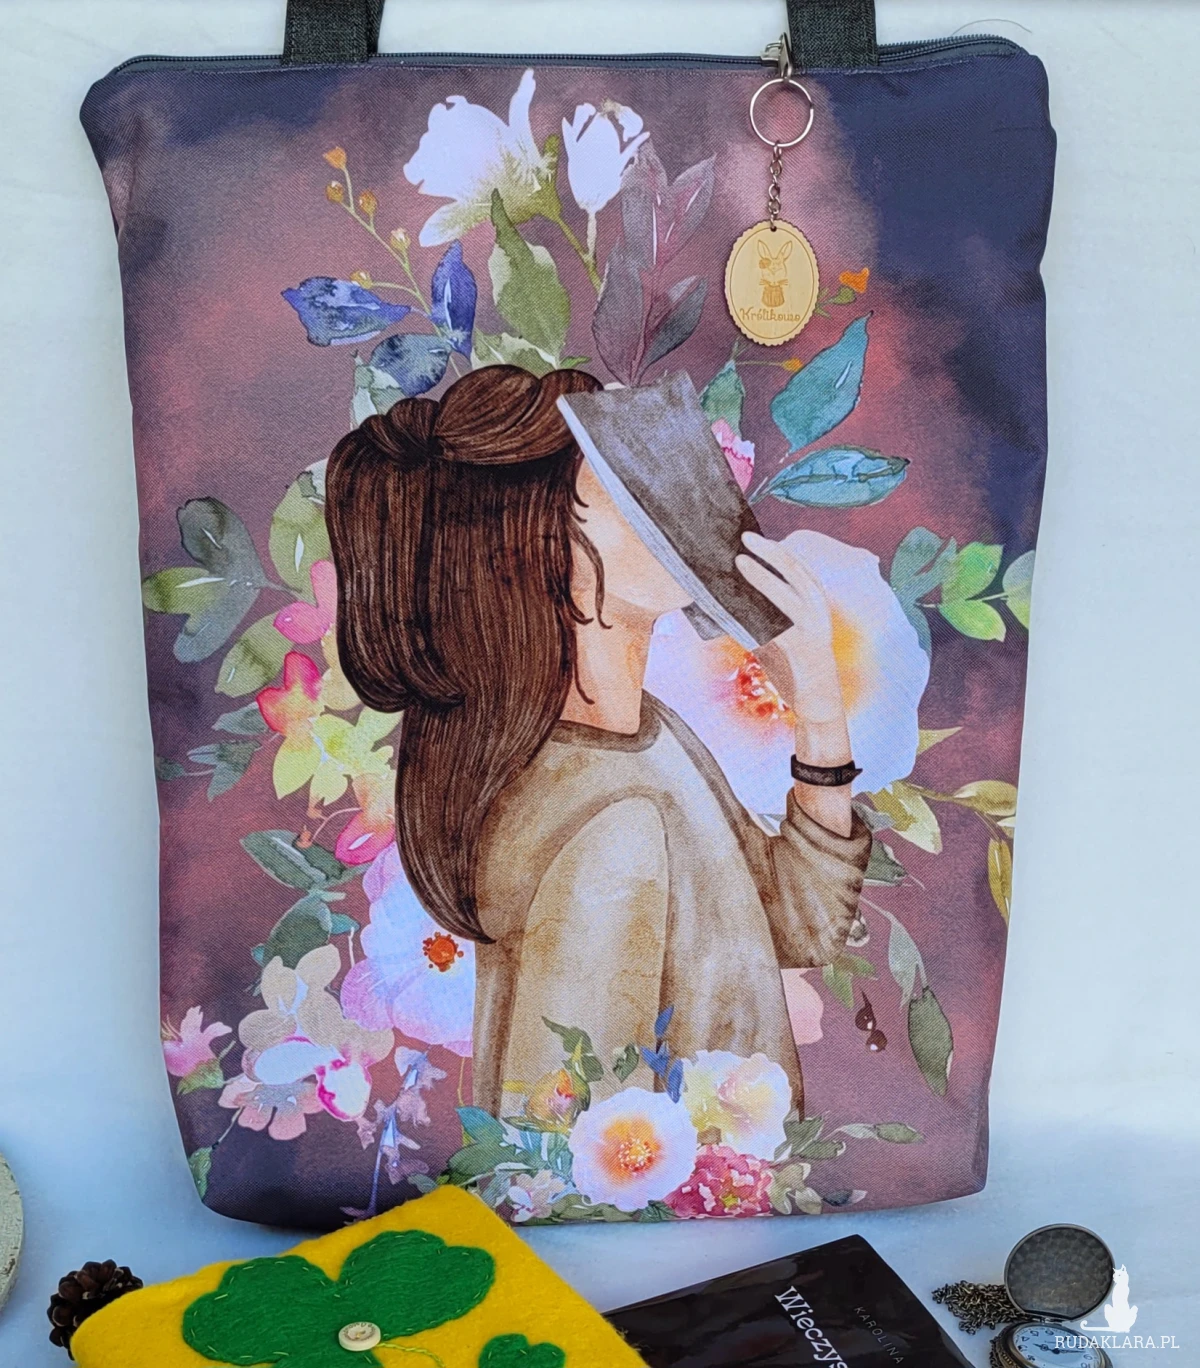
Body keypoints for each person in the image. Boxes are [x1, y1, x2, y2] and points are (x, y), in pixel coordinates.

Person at [326, 365, 870, 1119]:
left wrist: (819, 710)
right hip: (692, 1194)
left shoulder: (643, 736)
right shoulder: (613, 828)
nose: (672, 497)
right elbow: (567, 1144)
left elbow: (798, 925)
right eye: (623, 477)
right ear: (553, 547)